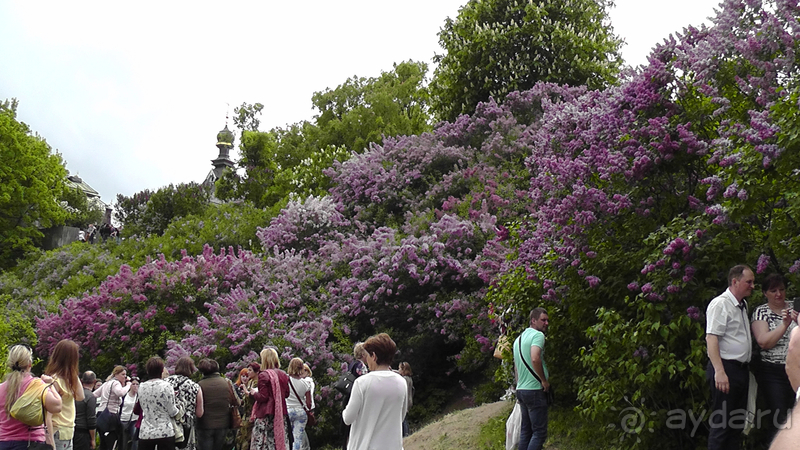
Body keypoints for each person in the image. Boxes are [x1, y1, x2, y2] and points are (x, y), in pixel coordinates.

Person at [706, 264, 755, 450]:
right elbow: (711, 338)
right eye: (748, 282)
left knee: (736, 424)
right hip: (725, 369)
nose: (752, 286)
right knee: (722, 423)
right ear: (735, 281)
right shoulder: (721, 304)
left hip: (741, 371)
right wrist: (719, 371)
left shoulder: (742, 305)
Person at [343, 333, 407, 450]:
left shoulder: (362, 383)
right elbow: (401, 416)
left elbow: (348, 418)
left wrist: (344, 410)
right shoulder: (401, 382)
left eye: (367, 356)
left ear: (373, 356)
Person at [751, 273, 797, 435]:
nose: (779, 294)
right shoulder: (761, 312)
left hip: (797, 368)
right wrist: (784, 325)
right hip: (773, 372)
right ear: (765, 293)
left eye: (782, 289)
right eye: (773, 290)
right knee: (779, 416)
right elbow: (764, 342)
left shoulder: (795, 308)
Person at [0, 344, 63, 450]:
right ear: (30, 363)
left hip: (3, 443)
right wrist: (51, 385)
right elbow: (57, 406)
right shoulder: (37, 385)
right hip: (30, 443)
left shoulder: (1, 387)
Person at [512, 308, 550, 450]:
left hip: (522, 390)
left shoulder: (518, 339)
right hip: (534, 390)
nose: (546, 323)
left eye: (547, 320)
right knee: (539, 433)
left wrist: (518, 386)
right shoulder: (537, 335)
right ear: (533, 320)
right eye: (543, 320)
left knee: (526, 432)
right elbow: (535, 358)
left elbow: (516, 368)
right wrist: (544, 380)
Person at [45, 339, 86, 450]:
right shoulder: (54, 381)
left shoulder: (69, 380)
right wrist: (51, 443)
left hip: (67, 431)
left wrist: (73, 373)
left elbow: (80, 397)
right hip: (58, 430)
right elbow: (48, 415)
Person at [249, 349, 290, 450]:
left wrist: (254, 393)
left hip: (265, 413)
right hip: (280, 413)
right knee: (276, 440)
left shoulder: (263, 375)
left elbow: (263, 397)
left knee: (262, 442)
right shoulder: (283, 374)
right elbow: (286, 394)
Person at [137, 357, 179, 450]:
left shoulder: (141, 387)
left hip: (146, 432)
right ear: (161, 370)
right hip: (165, 431)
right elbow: (172, 411)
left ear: (148, 371)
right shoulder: (167, 386)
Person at [196, 359, 236, 450]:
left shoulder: (200, 385)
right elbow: (236, 401)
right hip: (223, 423)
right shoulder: (226, 383)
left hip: (204, 425)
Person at [167, 357, 204, 450]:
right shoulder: (195, 387)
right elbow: (199, 413)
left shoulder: (166, 382)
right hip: (186, 426)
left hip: (168, 424)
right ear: (191, 369)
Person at [95, 366, 130, 450]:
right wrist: (128, 385)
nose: (125, 377)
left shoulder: (106, 383)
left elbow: (95, 394)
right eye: (123, 374)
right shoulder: (115, 383)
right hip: (110, 415)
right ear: (116, 374)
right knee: (111, 442)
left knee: (103, 443)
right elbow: (120, 392)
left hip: (101, 414)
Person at [340, 343, 368, 450]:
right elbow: (365, 380)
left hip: (348, 396)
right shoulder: (360, 366)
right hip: (355, 395)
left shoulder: (352, 364)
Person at [285, 359, 312, 450]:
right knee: (298, 439)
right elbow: (309, 404)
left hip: (287, 411)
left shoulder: (285, 380)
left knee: (286, 437)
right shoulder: (305, 383)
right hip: (300, 412)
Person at [234, 364, 259, 450]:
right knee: (240, 437)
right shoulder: (250, 382)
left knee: (247, 439)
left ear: (256, 372)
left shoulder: (257, 383)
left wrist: (245, 390)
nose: (248, 372)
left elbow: (253, 397)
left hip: (252, 414)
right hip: (246, 413)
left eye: (250, 370)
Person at [74, 371, 97, 450]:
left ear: (81, 380)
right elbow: (91, 420)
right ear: (94, 381)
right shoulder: (90, 397)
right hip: (83, 433)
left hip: (71, 430)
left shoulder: (73, 394)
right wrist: (93, 439)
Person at [119, 377, 139, 450]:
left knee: (135, 439)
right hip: (124, 419)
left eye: (137, 384)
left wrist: (138, 393)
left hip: (134, 419)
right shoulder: (125, 395)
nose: (135, 386)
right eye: (133, 384)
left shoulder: (138, 396)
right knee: (124, 440)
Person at [298, 365, 314, 450]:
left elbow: (307, 396)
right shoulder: (303, 381)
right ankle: (305, 447)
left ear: (308, 372)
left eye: (304, 370)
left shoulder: (308, 381)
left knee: (301, 430)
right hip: (305, 408)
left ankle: (305, 447)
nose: (301, 372)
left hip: (306, 408)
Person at [397, 362, 414, 437]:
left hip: (405, 401)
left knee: (403, 420)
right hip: (408, 401)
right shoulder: (409, 378)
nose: (398, 370)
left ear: (404, 370)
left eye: (400, 369)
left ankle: (406, 434)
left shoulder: (405, 379)